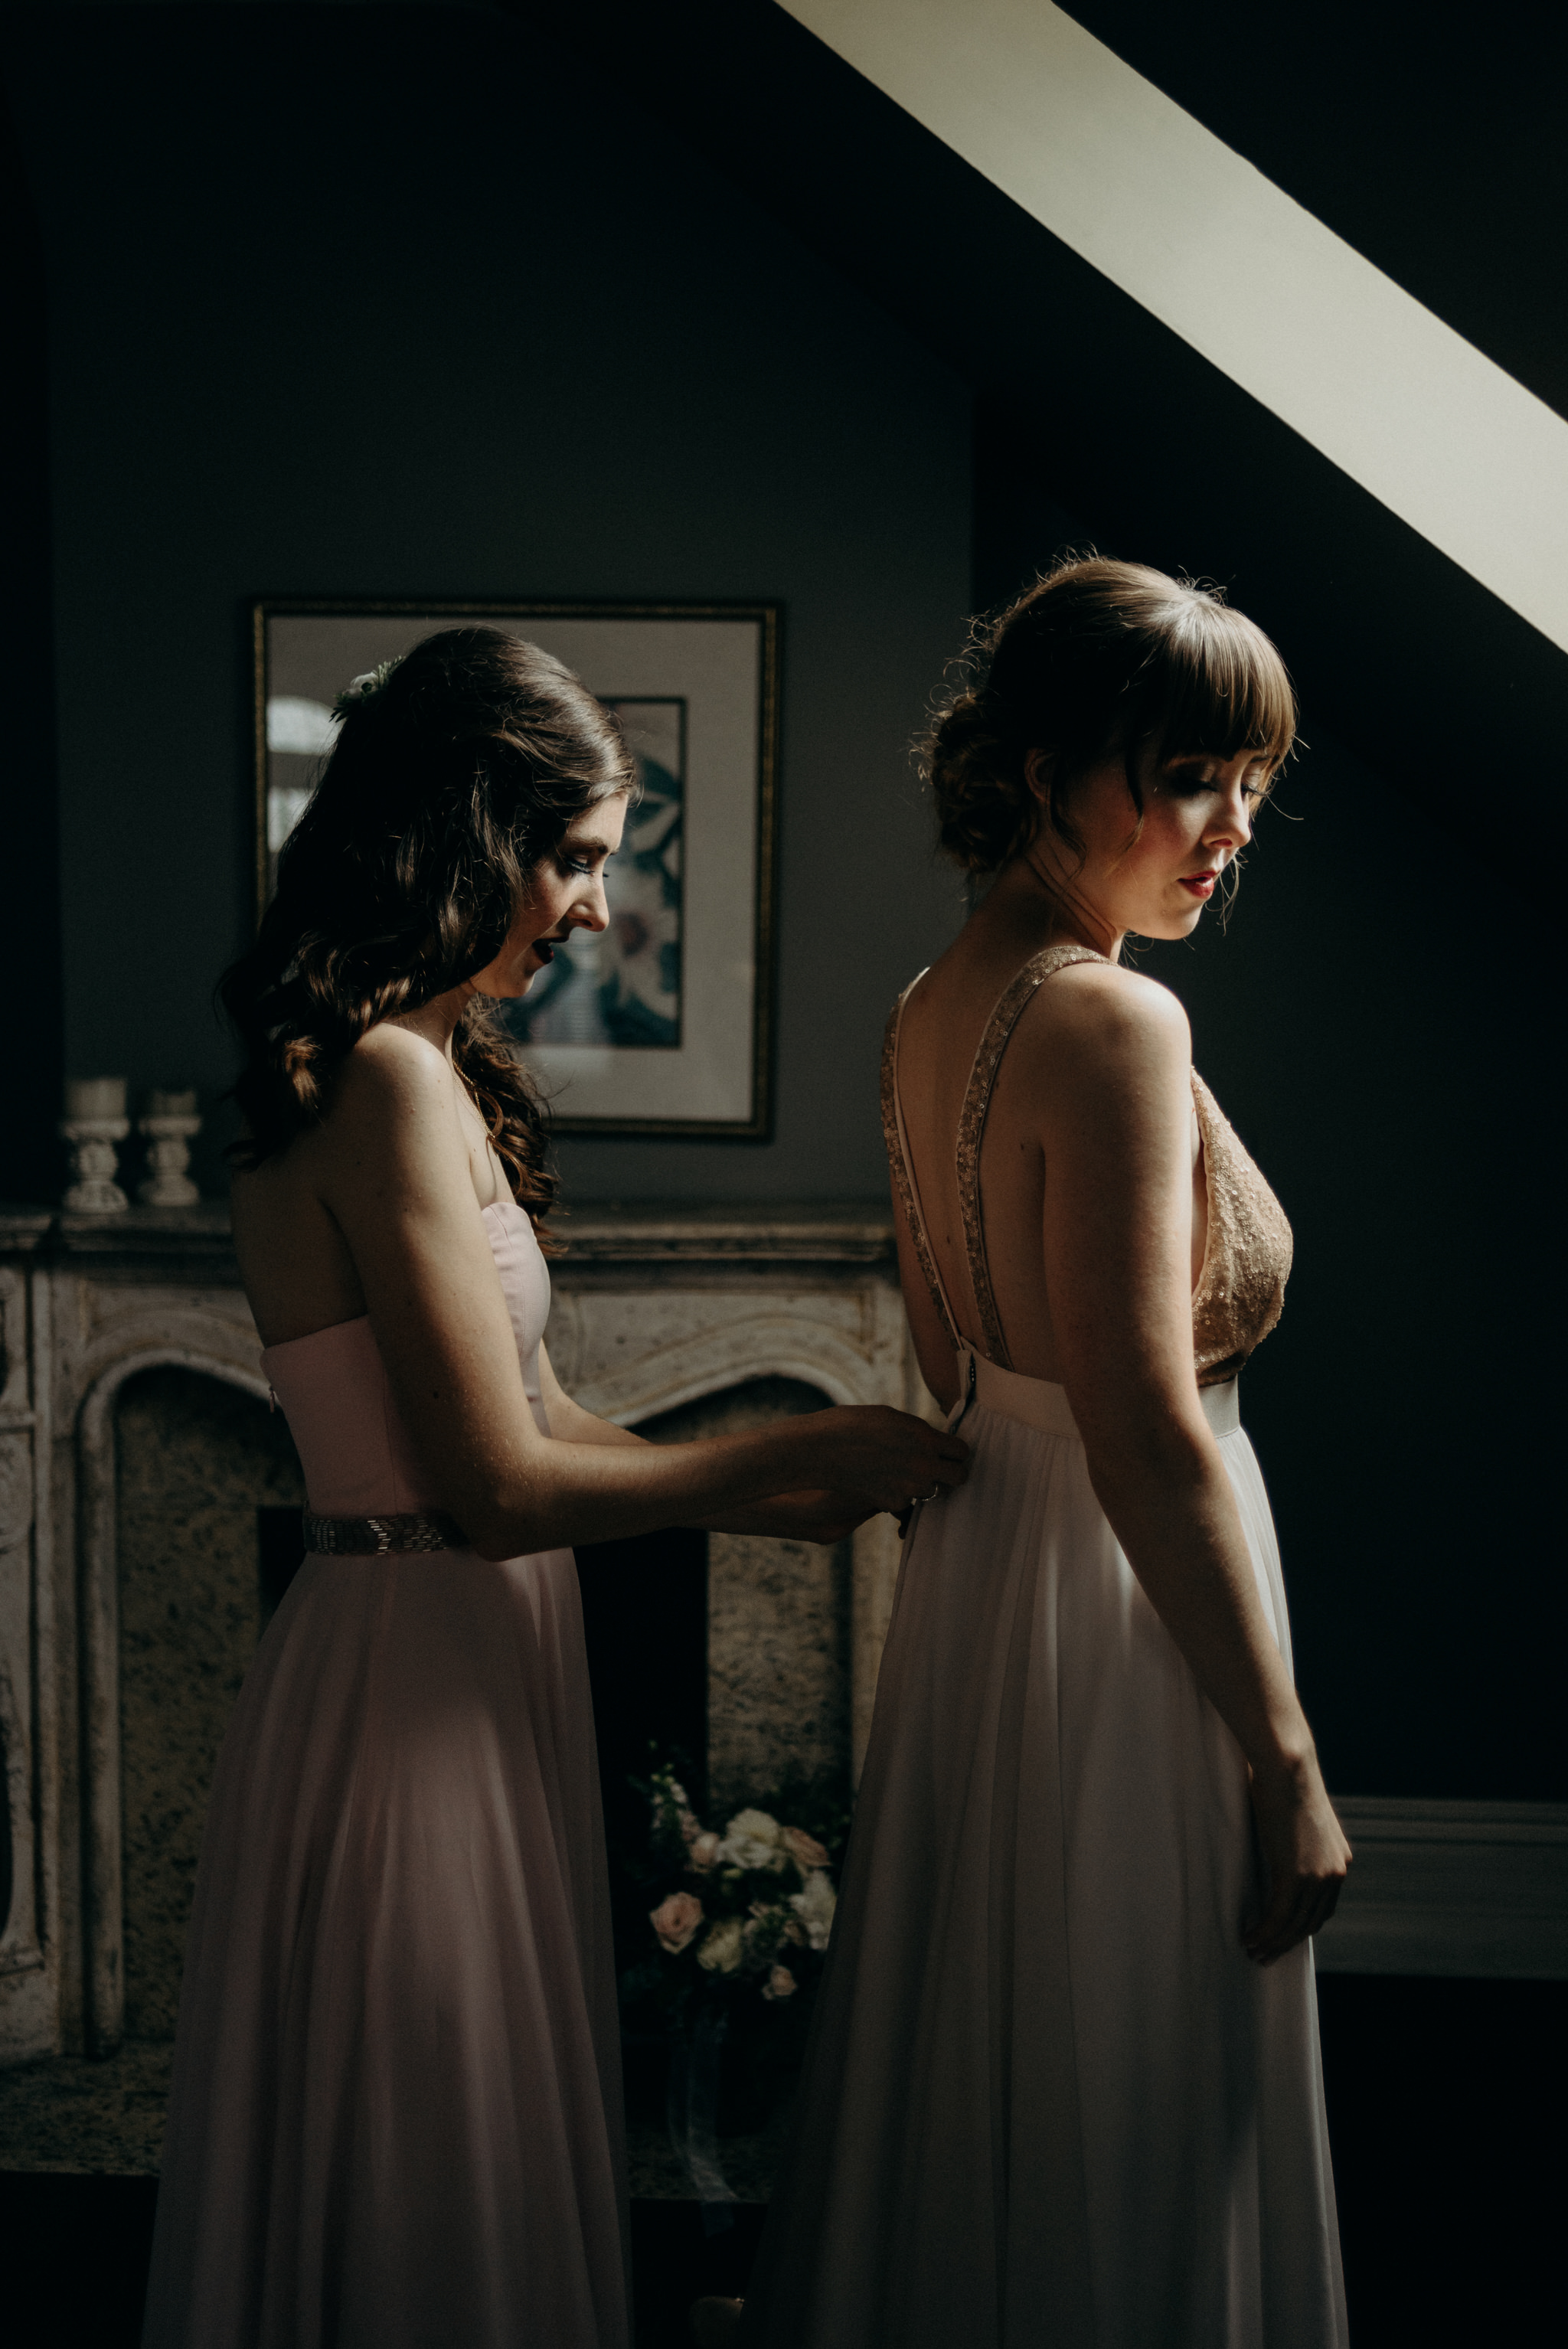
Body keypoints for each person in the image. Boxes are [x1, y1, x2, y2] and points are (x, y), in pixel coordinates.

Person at [139, 626, 966, 2349]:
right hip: (402, 1676)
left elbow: (544, 1409)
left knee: (470, 2107)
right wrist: (788, 1457)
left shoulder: (421, 1069)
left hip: (470, 1658)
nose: (594, 907)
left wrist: (754, 1492)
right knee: (423, 2124)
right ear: (462, 835)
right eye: (575, 857)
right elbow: (500, 1490)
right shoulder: (374, 1078)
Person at [725, 560, 1351, 2348]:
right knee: (1140, 2079)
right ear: (1041, 770)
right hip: (1129, 1590)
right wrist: (1283, 1752)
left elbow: (951, 1357)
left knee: (996, 2066)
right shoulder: (1111, 1017)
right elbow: (1148, 1430)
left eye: (1252, 780)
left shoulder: (934, 1005)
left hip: (997, 1565)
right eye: (1184, 776)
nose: (1228, 827)